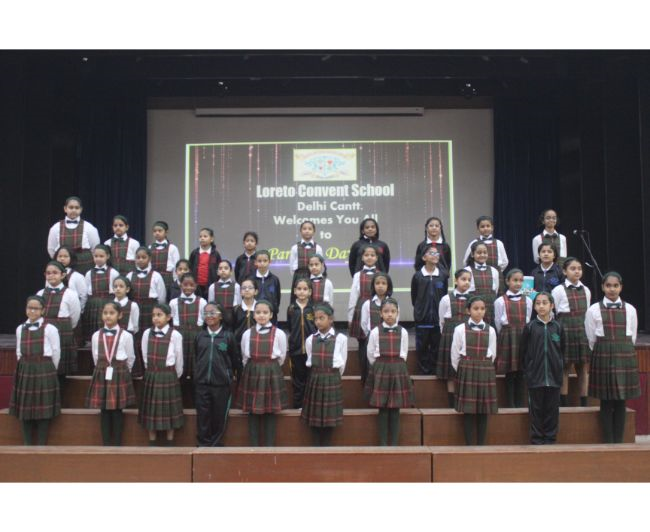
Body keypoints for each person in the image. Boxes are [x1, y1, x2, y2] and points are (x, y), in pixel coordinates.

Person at [585, 272, 641, 443]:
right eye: (608, 285)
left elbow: (633, 336)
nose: (612, 289)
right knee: (606, 400)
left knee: (621, 400)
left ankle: (619, 441)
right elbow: (591, 338)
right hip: (603, 353)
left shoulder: (630, 309)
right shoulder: (593, 310)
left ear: (621, 287)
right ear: (603, 287)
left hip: (624, 353)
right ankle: (608, 442)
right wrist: (605, 348)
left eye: (615, 286)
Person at [9, 295, 61, 445]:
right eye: (29, 308)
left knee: (43, 407)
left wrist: (50, 370)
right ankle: (27, 443)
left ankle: (41, 443)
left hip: (44, 368)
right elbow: (19, 351)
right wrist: (24, 365)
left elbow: (56, 352)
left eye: (36, 308)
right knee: (25, 406)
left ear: (43, 310)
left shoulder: (50, 329)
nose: (32, 311)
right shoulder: (20, 329)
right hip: (25, 368)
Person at [236, 300, 288, 446]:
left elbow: (282, 356)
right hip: (252, 371)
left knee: (270, 410)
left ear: (271, 315)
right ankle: (254, 445)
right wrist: (255, 367)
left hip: (271, 371)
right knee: (253, 410)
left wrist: (269, 367)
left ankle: (269, 446)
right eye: (258, 312)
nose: (261, 315)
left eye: (265, 312)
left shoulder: (279, 333)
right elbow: (244, 355)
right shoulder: (247, 333)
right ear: (254, 315)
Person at [365, 297, 414, 446]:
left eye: (393, 311)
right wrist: (381, 367)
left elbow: (404, 353)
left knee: (395, 408)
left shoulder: (403, 332)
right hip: (381, 369)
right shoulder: (375, 332)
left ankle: (394, 443)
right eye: (386, 311)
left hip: (398, 369)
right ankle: (383, 443)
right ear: (381, 313)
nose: (390, 314)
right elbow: (370, 353)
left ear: (398, 313)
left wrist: (396, 365)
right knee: (383, 409)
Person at [86, 301, 136, 446]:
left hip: (119, 373)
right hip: (102, 373)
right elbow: (95, 357)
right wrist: (103, 368)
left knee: (117, 410)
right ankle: (106, 443)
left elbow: (130, 357)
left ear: (119, 315)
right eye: (105, 313)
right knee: (104, 410)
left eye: (112, 313)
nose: (108, 316)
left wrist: (123, 372)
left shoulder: (126, 336)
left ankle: (118, 443)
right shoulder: (96, 335)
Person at [519, 292, 565, 444]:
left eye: (545, 303)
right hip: (535, 377)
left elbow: (562, 350)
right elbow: (523, 352)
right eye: (538, 303)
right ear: (534, 307)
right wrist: (529, 370)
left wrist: (558, 367)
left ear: (552, 305)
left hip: (554, 377)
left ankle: (550, 438)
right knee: (536, 409)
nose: (541, 306)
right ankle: (537, 439)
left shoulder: (558, 327)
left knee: (552, 410)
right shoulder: (530, 327)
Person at [451, 296, 498, 446]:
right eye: (475, 308)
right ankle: (470, 445)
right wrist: (464, 369)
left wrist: (484, 366)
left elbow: (493, 353)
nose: (479, 312)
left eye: (482, 309)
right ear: (468, 310)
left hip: (485, 369)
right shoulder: (459, 329)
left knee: (483, 410)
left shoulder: (491, 330)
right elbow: (455, 354)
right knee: (469, 410)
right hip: (467, 369)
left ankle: (481, 444)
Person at [193, 302, 240, 446]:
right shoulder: (200, 336)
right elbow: (196, 357)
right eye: (206, 313)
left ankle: (215, 445)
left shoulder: (228, 337)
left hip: (221, 384)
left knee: (219, 416)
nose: (209, 316)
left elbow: (234, 359)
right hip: (202, 383)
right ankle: (203, 445)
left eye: (212, 313)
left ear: (221, 316)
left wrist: (229, 376)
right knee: (202, 416)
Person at [301, 302, 347, 446]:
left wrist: (331, 375)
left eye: (322, 318)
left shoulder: (341, 339)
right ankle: (316, 445)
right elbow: (310, 358)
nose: (318, 322)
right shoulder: (310, 339)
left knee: (329, 416)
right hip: (315, 378)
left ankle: (326, 446)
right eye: (316, 319)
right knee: (315, 415)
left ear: (331, 319)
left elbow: (342, 363)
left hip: (332, 378)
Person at [138, 303, 184, 446]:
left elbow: (179, 358)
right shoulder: (147, 333)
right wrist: (151, 370)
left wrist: (173, 375)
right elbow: (144, 354)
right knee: (151, 409)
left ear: (168, 317)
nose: (156, 318)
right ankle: (152, 441)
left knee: (169, 410)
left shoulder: (175, 335)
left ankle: (170, 440)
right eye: (153, 315)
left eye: (159, 315)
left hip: (168, 375)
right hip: (152, 374)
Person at [551, 257, 591, 407]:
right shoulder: (558, 290)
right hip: (565, 329)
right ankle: (563, 403)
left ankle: (584, 402)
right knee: (565, 367)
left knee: (583, 367)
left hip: (581, 330)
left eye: (579, 269)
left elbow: (588, 312)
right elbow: (553, 313)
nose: (577, 271)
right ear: (564, 271)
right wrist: (556, 336)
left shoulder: (586, 290)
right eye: (573, 269)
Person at [37, 261, 81, 384]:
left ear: (63, 275)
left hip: (63, 331)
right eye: (48, 273)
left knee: (61, 366)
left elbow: (75, 315)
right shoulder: (40, 293)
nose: (51, 275)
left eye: (55, 273)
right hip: (45, 331)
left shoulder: (70, 294)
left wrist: (64, 327)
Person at [494, 268, 532, 408]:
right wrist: (505, 334)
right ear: (507, 281)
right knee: (510, 372)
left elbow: (528, 319)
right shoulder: (500, 301)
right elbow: (498, 322)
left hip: (522, 336)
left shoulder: (528, 300)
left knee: (521, 371)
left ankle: (520, 403)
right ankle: (510, 404)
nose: (518, 283)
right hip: (508, 336)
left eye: (520, 280)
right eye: (515, 280)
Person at [126, 247, 166, 377]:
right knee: (136, 338)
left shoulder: (156, 276)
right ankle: (138, 370)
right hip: (135, 310)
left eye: (144, 257)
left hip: (150, 310)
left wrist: (156, 312)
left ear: (149, 259)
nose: (140, 260)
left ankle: (150, 367)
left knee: (149, 338)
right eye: (138, 257)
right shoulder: (129, 275)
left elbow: (161, 297)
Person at [437, 269, 472, 408]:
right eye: (463, 279)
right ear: (456, 281)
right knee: (451, 371)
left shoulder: (473, 299)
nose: (466, 282)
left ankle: (464, 401)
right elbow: (441, 321)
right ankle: (452, 403)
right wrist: (447, 335)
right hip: (450, 336)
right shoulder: (446, 299)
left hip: (468, 336)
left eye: (469, 280)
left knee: (465, 370)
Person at [411, 246, 448, 375]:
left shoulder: (442, 276)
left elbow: (444, 297)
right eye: (431, 253)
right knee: (422, 347)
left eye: (436, 253)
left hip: (437, 319)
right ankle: (423, 373)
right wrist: (420, 312)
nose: (435, 255)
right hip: (423, 319)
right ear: (424, 257)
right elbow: (414, 297)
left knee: (436, 347)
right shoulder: (417, 276)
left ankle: (434, 372)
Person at [348, 243, 379, 385]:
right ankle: (364, 375)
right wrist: (350, 317)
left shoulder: (381, 274)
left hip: (377, 309)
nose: (369, 257)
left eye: (372, 255)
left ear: (376, 258)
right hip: (361, 309)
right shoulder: (357, 275)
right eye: (366, 255)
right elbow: (353, 296)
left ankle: (376, 375)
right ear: (362, 258)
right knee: (363, 343)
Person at [47, 196, 100, 275]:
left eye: (76, 208)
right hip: (63, 265)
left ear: (81, 209)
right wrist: (62, 259)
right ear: (65, 209)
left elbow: (95, 248)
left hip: (84, 265)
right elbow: (51, 249)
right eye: (71, 207)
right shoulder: (55, 228)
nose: (74, 210)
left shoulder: (89, 227)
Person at [286, 278, 316, 408]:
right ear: (294, 291)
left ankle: (310, 405)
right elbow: (290, 327)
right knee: (298, 379)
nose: (302, 292)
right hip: (296, 350)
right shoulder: (291, 308)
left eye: (305, 289)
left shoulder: (313, 308)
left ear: (310, 292)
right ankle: (298, 405)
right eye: (299, 289)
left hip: (311, 350)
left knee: (310, 378)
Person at [170, 273, 207, 378]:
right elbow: (171, 319)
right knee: (180, 358)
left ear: (196, 286)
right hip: (179, 335)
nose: (188, 287)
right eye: (185, 285)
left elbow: (204, 319)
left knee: (195, 360)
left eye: (191, 285)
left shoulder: (202, 302)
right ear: (180, 285)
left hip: (196, 335)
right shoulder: (173, 302)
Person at [462, 216, 509, 293]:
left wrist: (496, 271)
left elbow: (505, 261)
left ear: (492, 227)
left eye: (488, 226)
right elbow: (466, 261)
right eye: (482, 226)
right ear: (478, 228)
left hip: (495, 276)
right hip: (477, 276)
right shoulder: (473, 243)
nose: (485, 228)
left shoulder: (499, 243)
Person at [82, 244, 119, 342]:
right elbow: (85, 293)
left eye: (101, 256)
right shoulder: (89, 273)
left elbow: (117, 292)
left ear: (108, 256)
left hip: (107, 304)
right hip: (92, 305)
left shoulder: (113, 272)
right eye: (96, 256)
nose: (98, 259)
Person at [463, 241, 499, 325]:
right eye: (479, 253)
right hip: (474, 309)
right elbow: (465, 292)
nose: (482, 255)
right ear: (472, 254)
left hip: (490, 309)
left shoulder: (494, 271)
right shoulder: (467, 271)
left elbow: (495, 291)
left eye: (485, 252)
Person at [289, 220, 323, 291]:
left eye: (310, 229)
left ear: (314, 231)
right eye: (304, 229)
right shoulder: (295, 248)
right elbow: (291, 266)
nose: (307, 231)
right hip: (298, 276)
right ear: (300, 231)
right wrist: (297, 276)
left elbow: (321, 266)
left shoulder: (318, 248)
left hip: (313, 276)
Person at [248, 250, 281, 322]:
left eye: (265, 261)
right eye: (259, 261)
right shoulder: (250, 279)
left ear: (270, 262)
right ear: (255, 262)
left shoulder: (274, 279)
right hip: (254, 315)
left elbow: (277, 298)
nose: (262, 263)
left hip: (271, 316)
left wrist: (274, 308)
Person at [188, 227, 222, 299]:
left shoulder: (215, 254)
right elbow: (190, 268)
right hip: (196, 286)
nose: (202, 238)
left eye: (205, 236)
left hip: (210, 286)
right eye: (200, 236)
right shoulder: (194, 253)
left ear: (211, 239)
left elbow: (219, 270)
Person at [207, 259, 241, 330]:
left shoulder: (236, 286)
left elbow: (238, 304)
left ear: (231, 272)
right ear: (217, 272)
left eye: (226, 268)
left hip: (232, 318)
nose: (223, 270)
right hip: (217, 318)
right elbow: (211, 304)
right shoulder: (212, 287)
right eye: (220, 268)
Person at [148, 220, 180, 295]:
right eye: (155, 231)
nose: (157, 233)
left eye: (160, 231)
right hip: (154, 278)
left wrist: (175, 281)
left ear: (166, 232)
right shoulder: (149, 248)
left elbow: (176, 266)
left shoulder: (172, 248)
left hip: (168, 278)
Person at [54, 246, 88, 314]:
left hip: (72, 311)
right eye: (60, 256)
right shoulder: (51, 276)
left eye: (65, 256)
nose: (62, 258)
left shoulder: (77, 276)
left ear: (71, 258)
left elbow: (83, 296)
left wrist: (78, 311)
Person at [233, 278, 258, 348]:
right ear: (240, 292)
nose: (247, 290)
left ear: (256, 291)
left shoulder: (260, 308)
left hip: (257, 343)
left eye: (250, 288)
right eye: (244, 288)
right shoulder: (235, 309)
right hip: (238, 344)